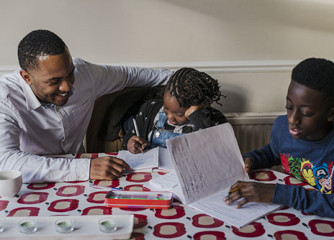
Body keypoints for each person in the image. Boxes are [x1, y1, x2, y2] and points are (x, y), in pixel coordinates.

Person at [0, 29, 172, 183]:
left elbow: (129, 75)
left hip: (87, 178)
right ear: (26, 77)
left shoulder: (84, 73)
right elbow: (5, 161)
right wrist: (85, 169)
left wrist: (181, 80)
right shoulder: (4, 97)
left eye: (70, 74)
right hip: (33, 183)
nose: (67, 87)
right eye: (55, 81)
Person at [224, 58, 334, 232]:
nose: (292, 119)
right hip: (295, 220)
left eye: (306, 113)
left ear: (332, 113)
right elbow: (275, 152)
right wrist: (253, 159)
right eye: (289, 106)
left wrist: (278, 194)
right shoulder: (282, 127)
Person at [123, 67, 228, 153]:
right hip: (153, 174)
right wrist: (130, 143)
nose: (170, 117)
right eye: (166, 108)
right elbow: (129, 137)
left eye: (180, 114)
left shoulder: (213, 119)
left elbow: (217, 153)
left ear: (196, 106)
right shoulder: (150, 107)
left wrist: (197, 116)